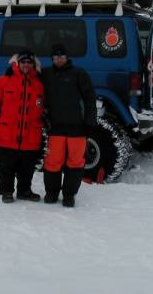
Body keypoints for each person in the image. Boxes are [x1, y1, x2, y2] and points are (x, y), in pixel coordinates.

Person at [0, 50, 44, 203]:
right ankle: (6, 191)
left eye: (29, 62)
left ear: (33, 64)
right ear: (18, 63)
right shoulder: (4, 80)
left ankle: (24, 191)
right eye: (23, 62)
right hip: (7, 134)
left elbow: (46, 106)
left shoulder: (39, 84)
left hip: (31, 134)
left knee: (27, 167)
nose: (26, 65)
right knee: (7, 167)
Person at [41, 44, 97, 207]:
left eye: (62, 56)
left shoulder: (79, 73)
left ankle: (69, 195)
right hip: (56, 127)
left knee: (75, 163)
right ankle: (51, 193)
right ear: (52, 59)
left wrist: (89, 122)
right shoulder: (46, 74)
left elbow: (90, 99)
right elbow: (27, 72)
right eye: (56, 57)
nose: (59, 59)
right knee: (52, 162)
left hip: (77, 128)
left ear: (67, 57)